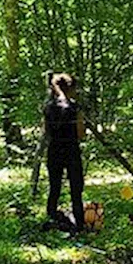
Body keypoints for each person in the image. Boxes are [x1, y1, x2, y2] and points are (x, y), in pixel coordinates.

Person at [44, 73, 86, 231]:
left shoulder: (48, 107)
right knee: (76, 187)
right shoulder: (75, 108)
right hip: (71, 150)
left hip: (54, 149)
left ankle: (52, 218)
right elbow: (80, 132)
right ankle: (79, 222)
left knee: (54, 186)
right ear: (71, 88)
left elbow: (45, 131)